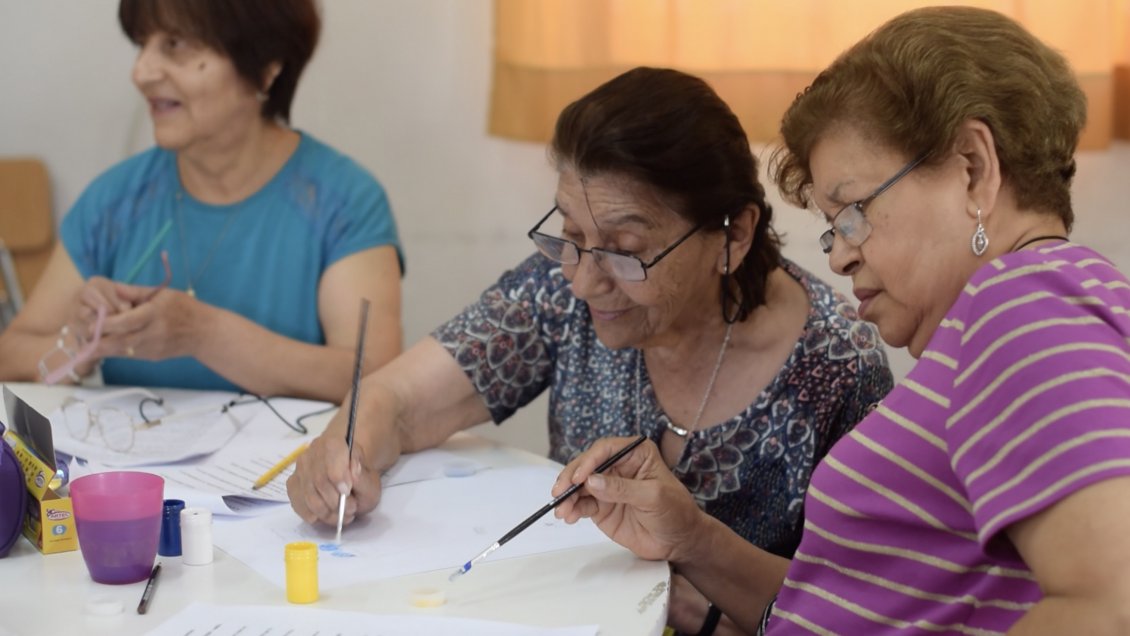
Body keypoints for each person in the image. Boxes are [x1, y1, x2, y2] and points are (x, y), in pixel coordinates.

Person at [552, 7, 1130, 634]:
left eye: (854, 211)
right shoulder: (1026, 311)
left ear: (972, 167)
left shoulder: (1025, 307)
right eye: (833, 229)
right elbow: (846, 610)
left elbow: (1111, 604)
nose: (841, 253)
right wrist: (691, 538)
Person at [287, 67, 892, 633]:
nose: (583, 281)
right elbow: (401, 400)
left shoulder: (837, 364)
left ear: (733, 232)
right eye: (571, 236)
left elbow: (859, 609)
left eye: (625, 250)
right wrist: (346, 450)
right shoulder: (561, 288)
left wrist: (692, 560)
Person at [0, 0, 403, 402]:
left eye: (175, 44)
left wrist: (205, 335)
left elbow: (376, 378)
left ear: (266, 68)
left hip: (294, 465)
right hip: (138, 463)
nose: (141, 73)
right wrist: (78, 341)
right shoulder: (116, 199)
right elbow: (10, 355)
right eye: (143, 43)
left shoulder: (343, 201)